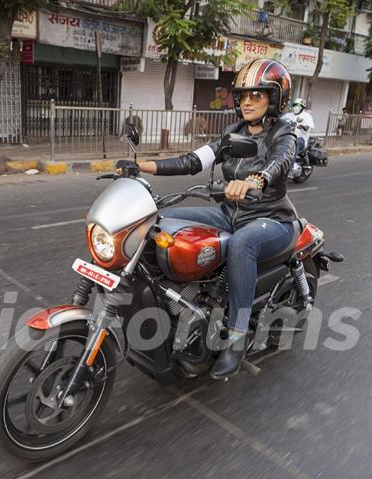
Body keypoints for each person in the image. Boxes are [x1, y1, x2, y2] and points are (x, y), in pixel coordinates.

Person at [117, 59, 297, 379]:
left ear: (276, 98)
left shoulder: (284, 133)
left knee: (242, 244)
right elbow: (192, 161)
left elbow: (280, 162)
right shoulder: (234, 133)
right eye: (243, 96)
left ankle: (237, 339)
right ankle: (168, 300)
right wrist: (139, 165)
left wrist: (255, 181)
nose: (248, 102)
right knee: (157, 219)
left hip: (271, 219)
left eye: (257, 95)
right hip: (230, 213)